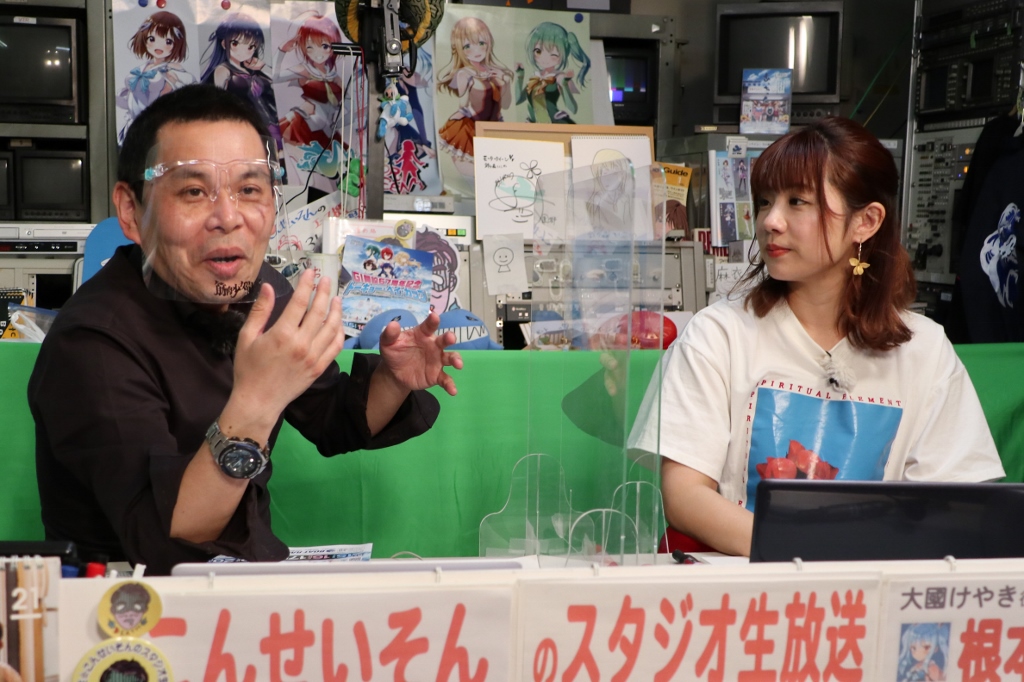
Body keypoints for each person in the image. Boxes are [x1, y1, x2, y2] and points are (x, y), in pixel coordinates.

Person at [29, 85, 462, 575]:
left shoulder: (259, 291)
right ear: (131, 211)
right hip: (133, 602)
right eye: (194, 192)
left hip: (248, 585)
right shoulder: (92, 342)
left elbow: (331, 416)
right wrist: (256, 401)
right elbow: (165, 539)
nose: (228, 218)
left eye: (249, 190)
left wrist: (391, 379)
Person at [629, 117, 1005, 557]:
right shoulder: (718, 335)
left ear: (866, 221)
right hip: (742, 591)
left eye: (798, 202)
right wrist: (812, 554)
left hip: (871, 591)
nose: (771, 221)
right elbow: (685, 497)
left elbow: (953, 508)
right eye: (765, 201)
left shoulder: (924, 349)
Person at [436, 17, 513, 176]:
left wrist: (506, 82)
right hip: (471, 127)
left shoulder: (496, 71)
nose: (476, 51)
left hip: (494, 127)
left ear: (488, 43)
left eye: (481, 43)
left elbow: (505, 105)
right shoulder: (464, 73)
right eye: (467, 46)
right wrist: (468, 84)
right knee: (476, 175)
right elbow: (463, 104)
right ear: (459, 49)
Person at [116, 11, 196, 145]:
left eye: (168, 41)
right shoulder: (142, 68)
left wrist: (172, 81)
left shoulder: (172, 69)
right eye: (152, 39)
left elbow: (190, 84)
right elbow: (133, 99)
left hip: (159, 128)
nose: (159, 46)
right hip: (134, 126)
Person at [514, 22, 590, 124]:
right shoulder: (535, 77)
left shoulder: (559, 77)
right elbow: (518, 100)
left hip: (555, 124)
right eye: (538, 51)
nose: (544, 59)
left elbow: (573, 108)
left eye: (553, 55)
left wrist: (564, 84)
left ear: (562, 55)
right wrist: (520, 76)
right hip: (536, 124)